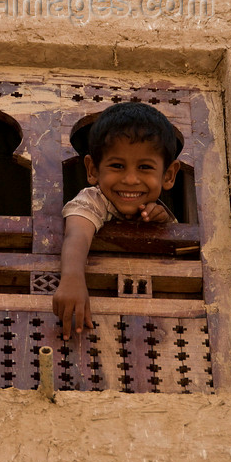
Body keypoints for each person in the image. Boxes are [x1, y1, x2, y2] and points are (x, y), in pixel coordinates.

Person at [52, 102, 180, 340]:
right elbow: (77, 234)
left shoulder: (155, 210)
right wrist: (72, 279)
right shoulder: (93, 199)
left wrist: (160, 223)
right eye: (117, 166)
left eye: (145, 167)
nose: (130, 179)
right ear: (92, 170)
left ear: (169, 175)